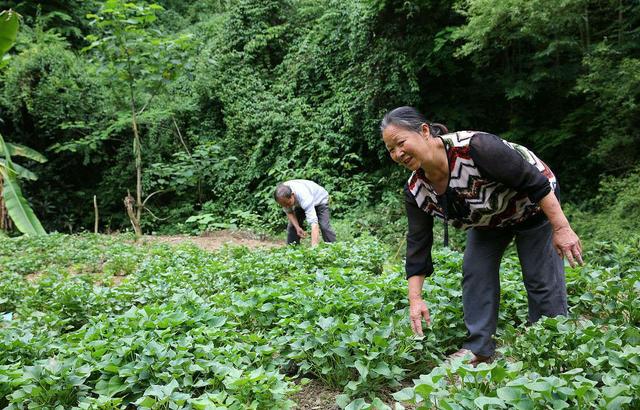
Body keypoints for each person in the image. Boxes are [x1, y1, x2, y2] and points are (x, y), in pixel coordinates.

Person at [381, 106, 583, 365]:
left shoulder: (476, 148)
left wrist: (562, 228)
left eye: (400, 143)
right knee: (475, 270)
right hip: (488, 219)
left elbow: (535, 182)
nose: (398, 153)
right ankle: (479, 348)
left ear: (423, 131)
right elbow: (418, 244)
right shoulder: (417, 189)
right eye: (391, 150)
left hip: (533, 205)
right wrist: (415, 300)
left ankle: (552, 343)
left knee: (539, 277)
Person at [274, 179, 336, 246]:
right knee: (293, 226)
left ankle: (333, 248)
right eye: (283, 205)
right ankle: (291, 250)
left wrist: (314, 248)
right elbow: (289, 212)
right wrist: (297, 228)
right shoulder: (282, 196)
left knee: (324, 226)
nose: (286, 206)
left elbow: (314, 224)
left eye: (288, 203)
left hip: (320, 200)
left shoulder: (304, 196)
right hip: (300, 202)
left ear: (292, 195)